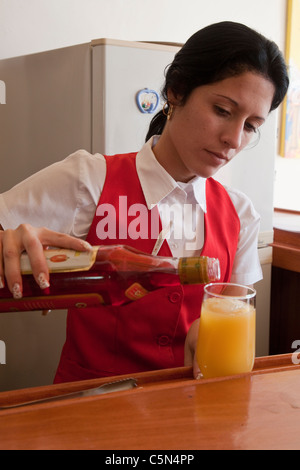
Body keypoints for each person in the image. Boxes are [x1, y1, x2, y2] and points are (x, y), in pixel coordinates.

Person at [0, 22, 289, 383]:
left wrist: (207, 335)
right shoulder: (89, 180)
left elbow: (229, 310)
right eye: (222, 110)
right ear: (177, 90)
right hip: (88, 411)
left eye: (250, 126)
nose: (233, 139)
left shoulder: (239, 213)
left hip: (188, 415)